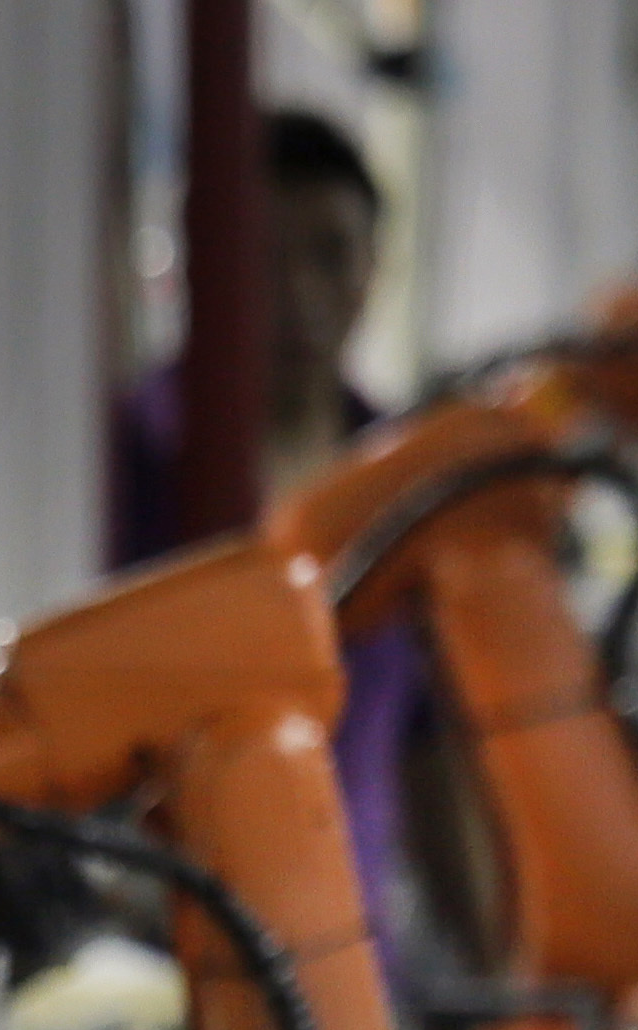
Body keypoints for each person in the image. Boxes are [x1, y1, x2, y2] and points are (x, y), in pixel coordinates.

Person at [109, 105, 435, 940]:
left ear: (376, 267)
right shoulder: (127, 465)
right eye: (260, 258)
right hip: (154, 974)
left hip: (357, 973)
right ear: (199, 268)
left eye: (330, 255)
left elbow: (436, 749)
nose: (298, 297)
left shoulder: (408, 485)